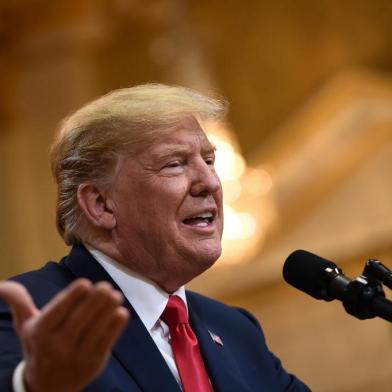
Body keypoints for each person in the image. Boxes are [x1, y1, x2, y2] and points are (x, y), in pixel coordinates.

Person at [0, 84, 311, 392]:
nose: (210, 182)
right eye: (174, 164)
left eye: (209, 160)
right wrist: (34, 385)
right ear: (101, 204)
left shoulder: (237, 331)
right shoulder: (30, 315)